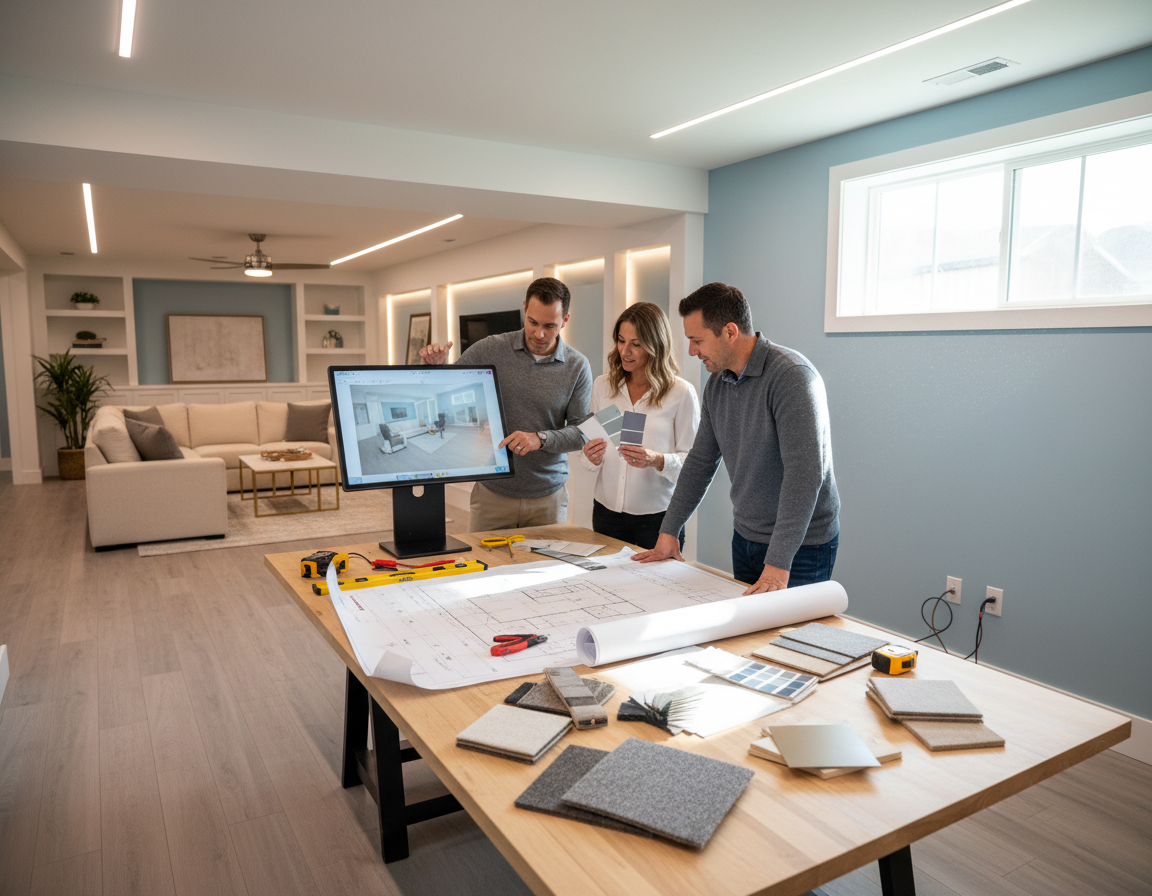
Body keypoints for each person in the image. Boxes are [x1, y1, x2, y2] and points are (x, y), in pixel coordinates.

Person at [633, 282, 840, 595]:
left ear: (729, 331)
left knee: (785, 642)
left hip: (800, 549)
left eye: (697, 340)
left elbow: (804, 475)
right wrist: (669, 530)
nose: (691, 351)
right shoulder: (718, 385)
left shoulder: (792, 377)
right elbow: (701, 461)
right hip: (746, 539)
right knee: (748, 637)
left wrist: (779, 561)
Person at [419, 277, 591, 531]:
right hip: (493, 494)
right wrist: (435, 366)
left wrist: (540, 438)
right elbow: (445, 387)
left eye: (550, 326)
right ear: (524, 308)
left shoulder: (577, 366)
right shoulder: (491, 348)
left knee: (544, 571)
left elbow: (580, 433)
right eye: (532, 322)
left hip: (548, 498)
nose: (539, 334)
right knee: (483, 570)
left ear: (565, 320)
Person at [579, 302, 700, 550]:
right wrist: (590, 456)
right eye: (621, 341)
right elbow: (592, 447)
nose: (625, 351)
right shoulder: (603, 386)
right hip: (606, 513)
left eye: (636, 344)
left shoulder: (681, 393)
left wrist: (657, 459)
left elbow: (695, 463)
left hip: (658, 518)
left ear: (656, 345)